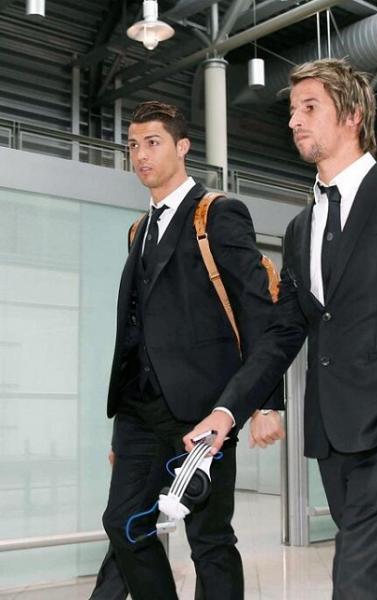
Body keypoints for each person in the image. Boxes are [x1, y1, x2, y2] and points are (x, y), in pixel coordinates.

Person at [184, 59, 377, 600]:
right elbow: (282, 335)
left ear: (353, 115)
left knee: (356, 579)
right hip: (332, 437)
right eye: (293, 110)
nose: (294, 120)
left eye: (310, 107)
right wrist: (227, 411)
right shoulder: (301, 229)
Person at [93, 100, 285, 600]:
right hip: (139, 410)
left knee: (210, 540)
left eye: (152, 143)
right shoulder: (139, 230)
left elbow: (256, 311)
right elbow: (135, 329)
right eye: (133, 145)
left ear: (182, 147)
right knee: (122, 523)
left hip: (203, 412)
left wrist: (265, 404)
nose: (140, 155)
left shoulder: (217, 214)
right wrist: (120, 429)